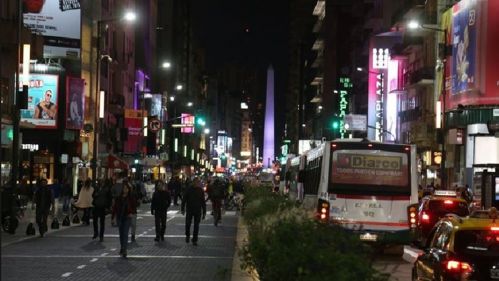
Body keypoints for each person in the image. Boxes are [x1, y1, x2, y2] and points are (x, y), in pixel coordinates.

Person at [112, 181, 136, 258]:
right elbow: (115, 208)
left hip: (127, 217)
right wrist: (113, 217)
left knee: (125, 233)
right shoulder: (119, 198)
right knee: (121, 234)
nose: (125, 190)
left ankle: (124, 249)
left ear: (128, 190)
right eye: (124, 188)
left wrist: (131, 213)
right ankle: (122, 247)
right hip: (120, 217)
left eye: (126, 188)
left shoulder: (131, 198)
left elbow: (134, 207)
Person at [181, 177, 206, 246]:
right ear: (193, 182)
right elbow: (184, 199)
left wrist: (204, 212)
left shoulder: (200, 190)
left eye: (197, 182)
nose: (196, 183)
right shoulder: (189, 189)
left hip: (198, 210)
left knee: (196, 226)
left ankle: (195, 239)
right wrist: (182, 209)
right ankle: (187, 235)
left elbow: (203, 202)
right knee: (188, 224)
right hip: (189, 209)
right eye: (195, 182)